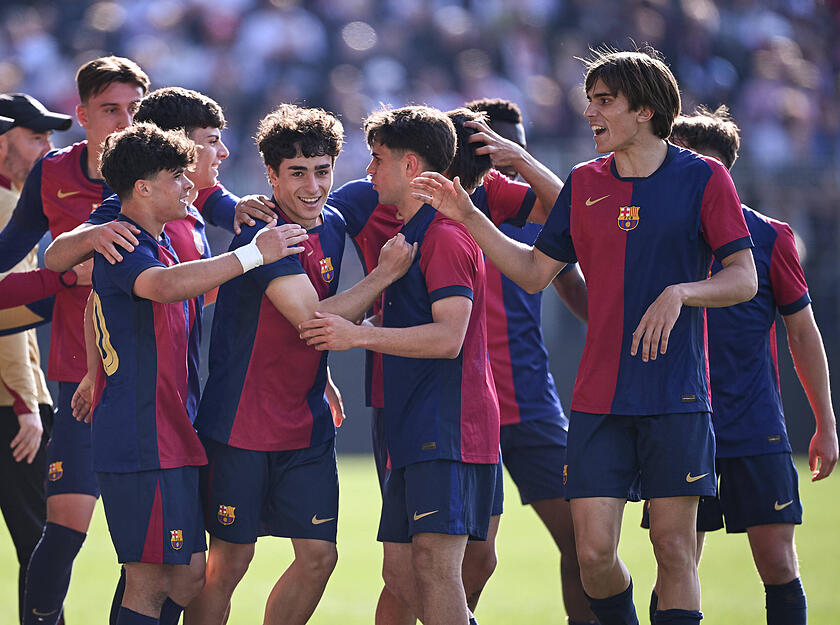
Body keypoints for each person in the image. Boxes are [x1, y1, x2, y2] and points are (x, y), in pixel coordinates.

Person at [410, 48, 758, 625]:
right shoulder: (584, 181)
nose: (591, 113)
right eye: (589, 101)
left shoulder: (703, 177)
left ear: (645, 110)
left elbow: (743, 278)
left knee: (673, 549)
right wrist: (468, 216)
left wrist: (681, 293)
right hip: (598, 401)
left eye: (604, 102)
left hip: (676, 395)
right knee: (593, 554)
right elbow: (533, 272)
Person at [186, 104, 414, 625]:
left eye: (322, 170)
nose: (313, 186)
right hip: (241, 424)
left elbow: (412, 170)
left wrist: (323, 375)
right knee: (230, 562)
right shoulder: (261, 235)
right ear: (271, 175)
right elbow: (313, 321)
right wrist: (383, 275)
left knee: (319, 557)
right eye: (297, 173)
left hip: (305, 423)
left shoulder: (333, 220)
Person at [89, 122, 307, 625]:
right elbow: (162, 287)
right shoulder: (124, 242)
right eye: (177, 176)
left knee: (187, 577)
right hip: (141, 436)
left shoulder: (163, 242)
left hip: (172, 431)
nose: (190, 184)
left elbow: (100, 306)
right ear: (143, 188)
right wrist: (254, 253)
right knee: (149, 581)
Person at [298, 104, 498, 625]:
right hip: (414, 423)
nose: (368, 170)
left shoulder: (445, 235)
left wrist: (359, 336)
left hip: (447, 424)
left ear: (410, 167)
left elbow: (449, 338)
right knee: (403, 572)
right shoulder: (411, 235)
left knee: (434, 567)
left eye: (377, 158)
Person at [640, 105, 838, 625]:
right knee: (674, 560)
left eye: (699, 166)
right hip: (678, 422)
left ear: (723, 175)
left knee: (777, 562)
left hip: (753, 424)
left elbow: (802, 332)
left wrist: (826, 422)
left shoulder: (770, 237)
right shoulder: (652, 235)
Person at [0, 56, 150, 625]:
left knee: (150, 544)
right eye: (110, 109)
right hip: (76, 372)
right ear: (83, 114)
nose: (125, 121)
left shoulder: (163, 170)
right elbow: (10, 251)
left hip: (152, 373)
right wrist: (63, 279)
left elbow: (205, 223)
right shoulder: (53, 172)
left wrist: (238, 210)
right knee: (60, 531)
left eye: (134, 109)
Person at [464, 97, 596, 625]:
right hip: (464, 404)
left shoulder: (535, 211)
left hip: (531, 403)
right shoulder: (449, 204)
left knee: (586, 542)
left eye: (516, 147)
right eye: (495, 147)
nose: (507, 157)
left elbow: (576, 286)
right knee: (474, 559)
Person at [0, 95, 74, 625]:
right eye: (34, 137)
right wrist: (27, 402)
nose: (46, 148)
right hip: (10, 405)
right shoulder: (6, 202)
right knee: (38, 542)